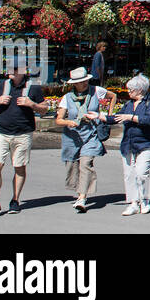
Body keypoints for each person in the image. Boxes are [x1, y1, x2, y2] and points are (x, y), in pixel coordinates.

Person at [0, 58, 47, 219]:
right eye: (9, 67)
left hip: (23, 133)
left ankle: (15, 200)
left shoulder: (33, 87)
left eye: (14, 68)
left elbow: (44, 109)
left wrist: (32, 104)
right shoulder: (1, 86)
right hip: (1, 132)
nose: (9, 71)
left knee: (19, 167)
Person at [55, 66, 115, 212]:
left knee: (86, 163)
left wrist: (108, 116)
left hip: (91, 134)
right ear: (74, 84)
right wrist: (68, 122)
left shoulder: (96, 91)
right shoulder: (67, 98)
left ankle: (82, 197)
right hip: (73, 136)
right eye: (81, 82)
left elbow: (113, 96)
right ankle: (79, 192)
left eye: (85, 80)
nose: (84, 83)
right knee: (73, 166)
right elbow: (59, 120)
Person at [109, 74, 150, 216]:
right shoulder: (128, 104)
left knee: (141, 173)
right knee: (129, 174)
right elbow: (116, 117)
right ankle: (133, 203)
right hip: (129, 144)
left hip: (147, 143)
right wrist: (99, 117)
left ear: (139, 90)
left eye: (131, 90)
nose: (128, 92)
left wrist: (130, 117)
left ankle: (144, 200)